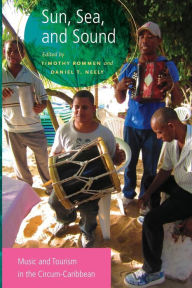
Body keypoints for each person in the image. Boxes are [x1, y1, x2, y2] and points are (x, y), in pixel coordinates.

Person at [115, 22, 183, 213]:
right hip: (131, 124)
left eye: (150, 36)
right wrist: (119, 88)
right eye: (142, 36)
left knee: (150, 168)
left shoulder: (167, 66)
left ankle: (145, 198)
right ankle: (128, 195)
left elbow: (177, 100)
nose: (145, 40)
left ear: (158, 41)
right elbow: (120, 99)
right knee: (128, 163)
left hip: (156, 128)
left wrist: (171, 86)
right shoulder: (129, 66)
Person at [124, 107, 192, 287]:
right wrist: (147, 193)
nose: (158, 137)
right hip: (180, 184)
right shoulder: (172, 141)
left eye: (159, 132)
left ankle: (152, 271)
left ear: (171, 126)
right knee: (149, 178)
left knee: (152, 221)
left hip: (189, 196)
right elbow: (165, 171)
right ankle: (153, 212)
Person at [49, 90, 125, 247]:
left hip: (94, 183)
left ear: (93, 108)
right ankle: (66, 219)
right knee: (54, 201)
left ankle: (86, 231)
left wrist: (118, 157)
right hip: (68, 180)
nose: (80, 111)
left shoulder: (104, 133)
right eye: (76, 107)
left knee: (89, 210)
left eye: (85, 107)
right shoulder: (63, 131)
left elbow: (110, 163)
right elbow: (55, 156)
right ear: (72, 107)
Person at [2, 39, 52, 193]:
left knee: (43, 161)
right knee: (19, 164)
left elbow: (44, 99)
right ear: (4, 52)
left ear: (22, 55)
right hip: (12, 129)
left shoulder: (32, 76)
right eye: (10, 50)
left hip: (34, 127)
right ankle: (26, 189)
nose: (12, 54)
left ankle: (49, 187)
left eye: (17, 51)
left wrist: (41, 106)